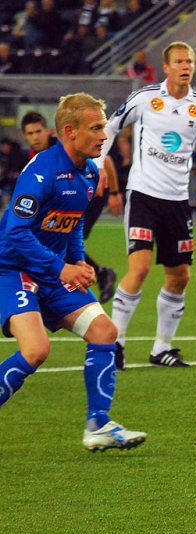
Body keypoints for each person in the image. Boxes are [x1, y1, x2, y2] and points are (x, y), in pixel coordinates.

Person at [0, 93, 147, 452]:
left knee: (104, 331)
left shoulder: (90, 172)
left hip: (52, 272)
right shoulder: (41, 172)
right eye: (95, 128)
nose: (103, 135)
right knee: (36, 350)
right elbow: (16, 233)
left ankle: (98, 425)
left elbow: (74, 221)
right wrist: (61, 267)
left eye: (103, 127)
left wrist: (79, 261)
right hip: (13, 269)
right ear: (69, 131)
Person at [97, 41, 196, 369]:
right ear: (166, 67)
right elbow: (111, 126)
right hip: (143, 195)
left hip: (178, 202)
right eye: (179, 61)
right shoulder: (145, 98)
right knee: (139, 268)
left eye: (189, 61)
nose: (186, 66)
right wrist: (97, 166)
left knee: (180, 276)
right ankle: (115, 344)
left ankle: (161, 348)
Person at [22, 111, 122, 304]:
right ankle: (92, 274)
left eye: (38, 132)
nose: (35, 137)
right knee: (55, 238)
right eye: (30, 133)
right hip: (66, 200)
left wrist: (115, 193)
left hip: (90, 196)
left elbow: (106, 160)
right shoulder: (33, 157)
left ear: (48, 131)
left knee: (60, 238)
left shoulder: (62, 147)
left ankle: (90, 276)